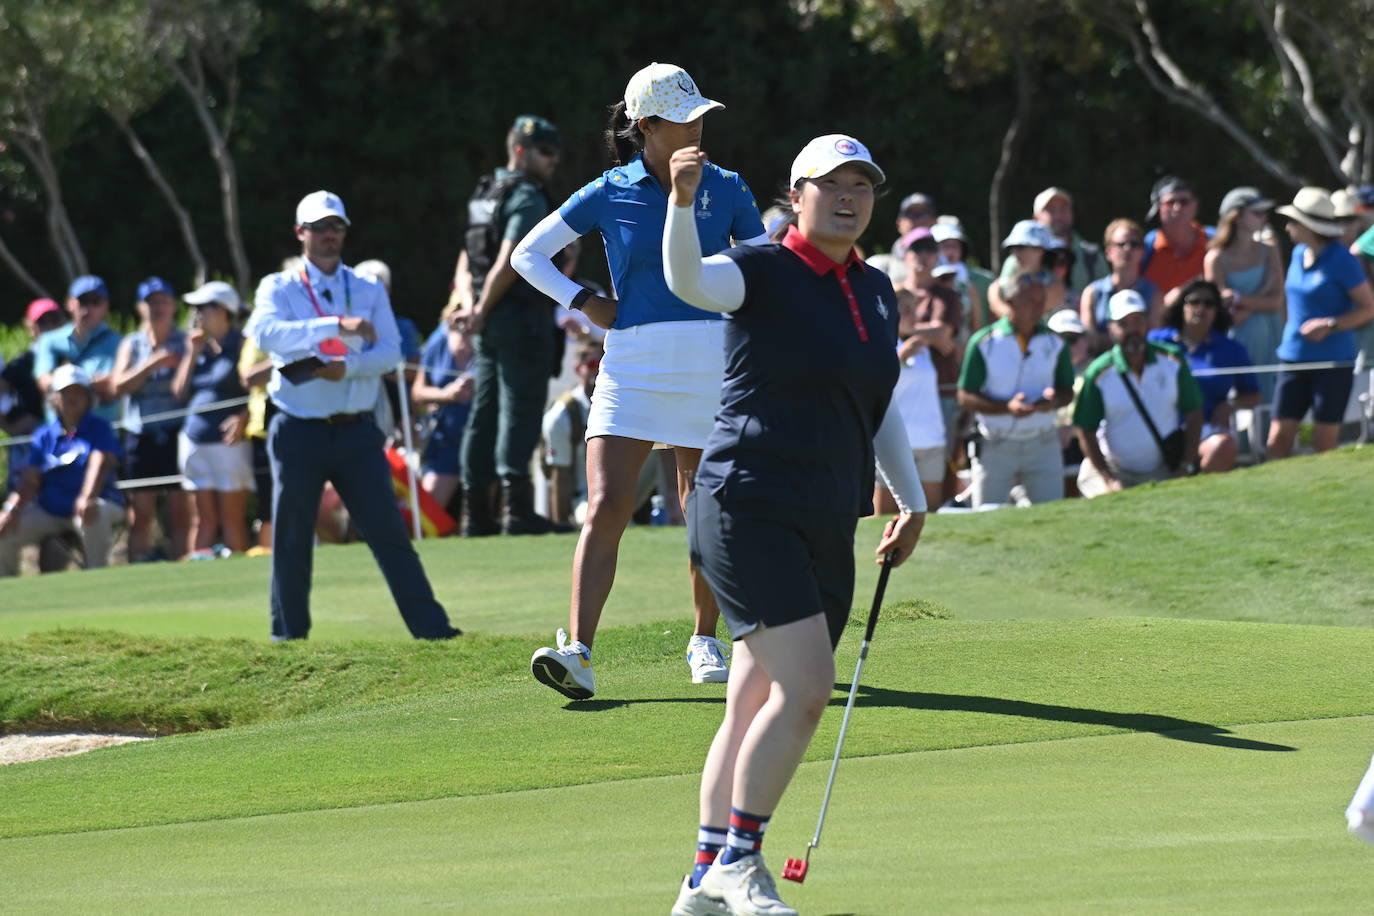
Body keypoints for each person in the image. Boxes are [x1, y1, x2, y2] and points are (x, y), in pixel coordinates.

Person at [661, 134, 926, 916]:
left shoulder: (878, 289)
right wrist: (681, 203)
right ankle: (741, 861)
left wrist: (909, 499)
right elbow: (685, 280)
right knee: (807, 689)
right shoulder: (760, 269)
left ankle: (703, 877)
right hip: (746, 501)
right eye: (830, 184)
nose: (848, 197)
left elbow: (874, 406)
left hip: (825, 514)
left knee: (752, 698)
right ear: (797, 193)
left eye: (862, 185)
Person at [512, 62, 768, 695]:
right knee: (605, 506)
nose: (698, 126)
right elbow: (527, 255)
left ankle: (706, 638)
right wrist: (584, 300)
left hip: (712, 359)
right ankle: (578, 654)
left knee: (703, 507)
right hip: (633, 364)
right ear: (646, 125)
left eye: (701, 115)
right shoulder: (609, 189)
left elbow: (762, 266)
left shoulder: (728, 186)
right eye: (684, 116)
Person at [245, 190, 460, 641]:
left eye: (336, 227)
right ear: (300, 233)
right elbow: (265, 334)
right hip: (297, 427)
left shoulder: (365, 287)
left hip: (356, 430)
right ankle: (288, 637)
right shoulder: (278, 287)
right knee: (291, 537)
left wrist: (348, 366)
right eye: (319, 228)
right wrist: (333, 327)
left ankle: (433, 632)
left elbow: (390, 352)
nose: (329, 236)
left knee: (389, 534)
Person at [455, 115, 568, 537]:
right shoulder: (526, 196)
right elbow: (512, 259)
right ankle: (516, 511)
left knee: (484, 412)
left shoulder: (486, 192)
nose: (553, 161)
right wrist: (481, 308)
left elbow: (467, 258)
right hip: (518, 318)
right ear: (520, 149)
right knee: (518, 410)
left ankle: (475, 514)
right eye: (545, 152)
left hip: (489, 320)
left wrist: (470, 305)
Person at [1267, 187, 1374, 458]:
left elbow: (1368, 308)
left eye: (1294, 222)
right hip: (1293, 358)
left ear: (1310, 227)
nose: (1288, 227)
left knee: (1323, 443)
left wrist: (1330, 325)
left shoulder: (1343, 260)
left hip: (1333, 362)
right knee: (1277, 440)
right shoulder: (1296, 254)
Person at [958, 271, 1075, 507]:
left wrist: (1052, 402)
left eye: (1041, 300)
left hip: (1043, 441)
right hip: (996, 443)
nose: (1038, 307)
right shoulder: (985, 342)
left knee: (1051, 516)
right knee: (987, 516)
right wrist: (1007, 408)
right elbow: (965, 396)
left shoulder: (1055, 342)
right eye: (1030, 300)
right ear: (1010, 301)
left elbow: (1067, 391)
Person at [1073, 290, 1204, 496]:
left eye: (1138, 321)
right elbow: (1085, 430)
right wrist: (1109, 478)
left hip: (1164, 469)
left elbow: (1194, 413)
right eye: (1124, 324)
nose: (1132, 329)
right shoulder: (1099, 374)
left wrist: (1186, 466)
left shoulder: (1172, 360)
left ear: (1147, 323)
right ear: (1111, 329)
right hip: (1115, 468)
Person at [0, 365, 125, 576]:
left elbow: (100, 460)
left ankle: (98, 580)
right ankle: (9, 589)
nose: (71, 397)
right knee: (4, 529)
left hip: (98, 502)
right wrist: (10, 509)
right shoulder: (44, 435)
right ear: (54, 398)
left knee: (93, 513)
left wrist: (87, 496)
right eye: (65, 392)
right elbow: (30, 480)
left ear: (88, 397)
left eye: (78, 392)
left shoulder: (99, 427)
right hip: (51, 510)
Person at [111, 277, 191, 561]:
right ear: (140, 308)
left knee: (180, 512)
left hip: (175, 433)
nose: (158, 308)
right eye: (151, 302)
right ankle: (138, 568)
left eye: (163, 301)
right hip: (140, 435)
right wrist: (151, 364)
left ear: (173, 306)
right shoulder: (131, 344)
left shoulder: (184, 342)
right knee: (141, 514)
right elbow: (118, 386)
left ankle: (185, 566)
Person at [172, 281, 252, 558]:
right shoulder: (198, 347)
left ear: (222, 311)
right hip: (193, 440)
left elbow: (260, 392)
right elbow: (179, 392)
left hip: (228, 444)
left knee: (231, 520)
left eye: (202, 308)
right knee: (203, 520)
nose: (196, 314)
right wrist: (192, 354)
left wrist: (244, 417)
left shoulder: (244, 345)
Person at [1147, 279, 1260, 473]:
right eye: (1194, 302)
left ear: (1217, 310)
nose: (1201, 308)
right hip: (1159, 426)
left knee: (1223, 446)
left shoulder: (1231, 349)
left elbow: (1254, 395)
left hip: (1208, 430)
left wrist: (1231, 405)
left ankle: (1201, 493)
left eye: (1209, 303)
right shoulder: (1156, 341)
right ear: (1181, 306)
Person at [1204, 187, 1285, 402]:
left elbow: (1276, 302)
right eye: (1257, 213)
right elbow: (1221, 313)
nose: (1264, 218)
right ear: (1237, 217)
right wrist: (1259, 299)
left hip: (1273, 336)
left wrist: (1239, 299)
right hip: (1238, 342)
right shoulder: (1215, 258)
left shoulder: (1269, 249)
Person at [875, 291, 947, 515]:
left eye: (913, 308)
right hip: (893, 443)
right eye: (904, 309)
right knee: (883, 517)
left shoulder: (922, 347)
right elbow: (874, 382)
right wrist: (901, 356)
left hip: (931, 442)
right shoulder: (880, 344)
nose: (912, 315)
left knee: (929, 515)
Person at [411, 302, 476, 514]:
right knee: (428, 514)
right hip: (446, 440)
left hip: (484, 438)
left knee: (484, 516)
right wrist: (446, 395)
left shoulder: (492, 339)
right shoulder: (438, 341)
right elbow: (418, 392)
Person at [33, 276, 121, 422]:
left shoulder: (120, 342)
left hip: (104, 430)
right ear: (69, 303)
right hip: (62, 435)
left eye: (96, 302)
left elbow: (121, 382)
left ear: (106, 306)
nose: (89, 308)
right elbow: (43, 380)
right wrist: (86, 384)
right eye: (83, 301)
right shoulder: (49, 341)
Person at [541, 342, 601, 526]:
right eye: (592, 365)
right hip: (585, 496)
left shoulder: (627, 402)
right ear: (578, 369)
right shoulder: (562, 414)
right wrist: (561, 524)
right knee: (596, 519)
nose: (599, 371)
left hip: (626, 488)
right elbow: (560, 475)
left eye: (603, 363)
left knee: (664, 446)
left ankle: (674, 510)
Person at [1080, 218, 1163, 345]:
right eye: (1121, 244)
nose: (1128, 249)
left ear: (1142, 252)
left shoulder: (1154, 294)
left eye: (1134, 244)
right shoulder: (1092, 293)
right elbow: (1089, 340)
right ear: (1108, 253)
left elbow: (1153, 338)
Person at [1142, 176, 1211, 305]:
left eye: (1184, 202)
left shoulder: (1213, 240)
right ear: (1158, 208)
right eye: (1170, 202)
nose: (1177, 207)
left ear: (1195, 206)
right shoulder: (1147, 246)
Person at [1030, 186, 1108, 299]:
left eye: (1063, 209)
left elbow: (1104, 299)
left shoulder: (1092, 256)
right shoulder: (1021, 255)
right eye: (1051, 210)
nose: (1058, 216)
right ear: (1036, 218)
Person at [988, 220, 1066, 319]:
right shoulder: (1006, 278)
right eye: (1012, 247)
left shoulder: (1054, 285)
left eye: (1020, 247)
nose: (1014, 253)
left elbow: (1029, 318)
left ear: (1040, 250)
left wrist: (996, 300)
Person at [890, 191, 937, 258]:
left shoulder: (948, 261)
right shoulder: (883, 265)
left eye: (924, 213)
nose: (917, 218)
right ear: (899, 224)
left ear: (934, 221)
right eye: (910, 214)